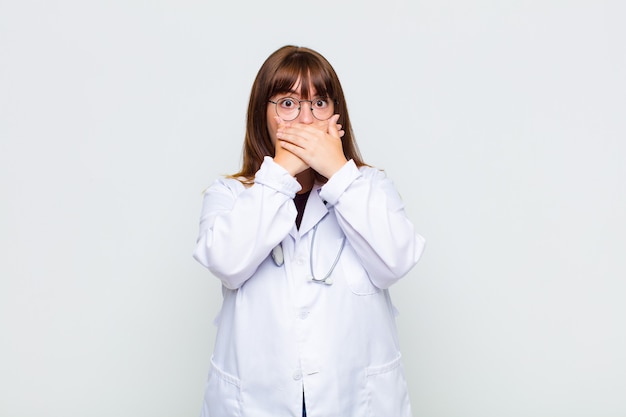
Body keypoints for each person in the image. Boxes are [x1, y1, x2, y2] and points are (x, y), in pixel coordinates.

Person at [193, 45, 425, 417]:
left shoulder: (370, 187)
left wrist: (339, 172)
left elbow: (395, 261)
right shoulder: (231, 195)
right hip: (256, 402)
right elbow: (227, 262)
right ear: (262, 115)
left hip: (353, 400)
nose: (305, 119)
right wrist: (280, 173)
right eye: (288, 103)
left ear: (336, 115)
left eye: (319, 103)